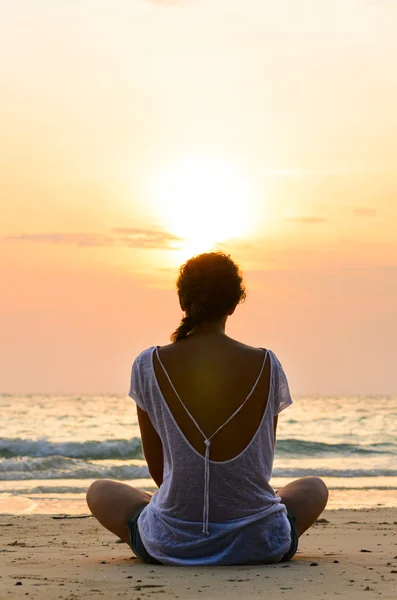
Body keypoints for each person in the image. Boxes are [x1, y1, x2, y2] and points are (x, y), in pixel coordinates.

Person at [86, 251, 328, 565]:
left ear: (182, 302)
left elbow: (161, 473)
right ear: (232, 304)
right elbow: (260, 467)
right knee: (313, 487)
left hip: (171, 544)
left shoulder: (147, 365)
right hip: (261, 541)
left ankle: (166, 515)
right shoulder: (267, 364)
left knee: (100, 491)